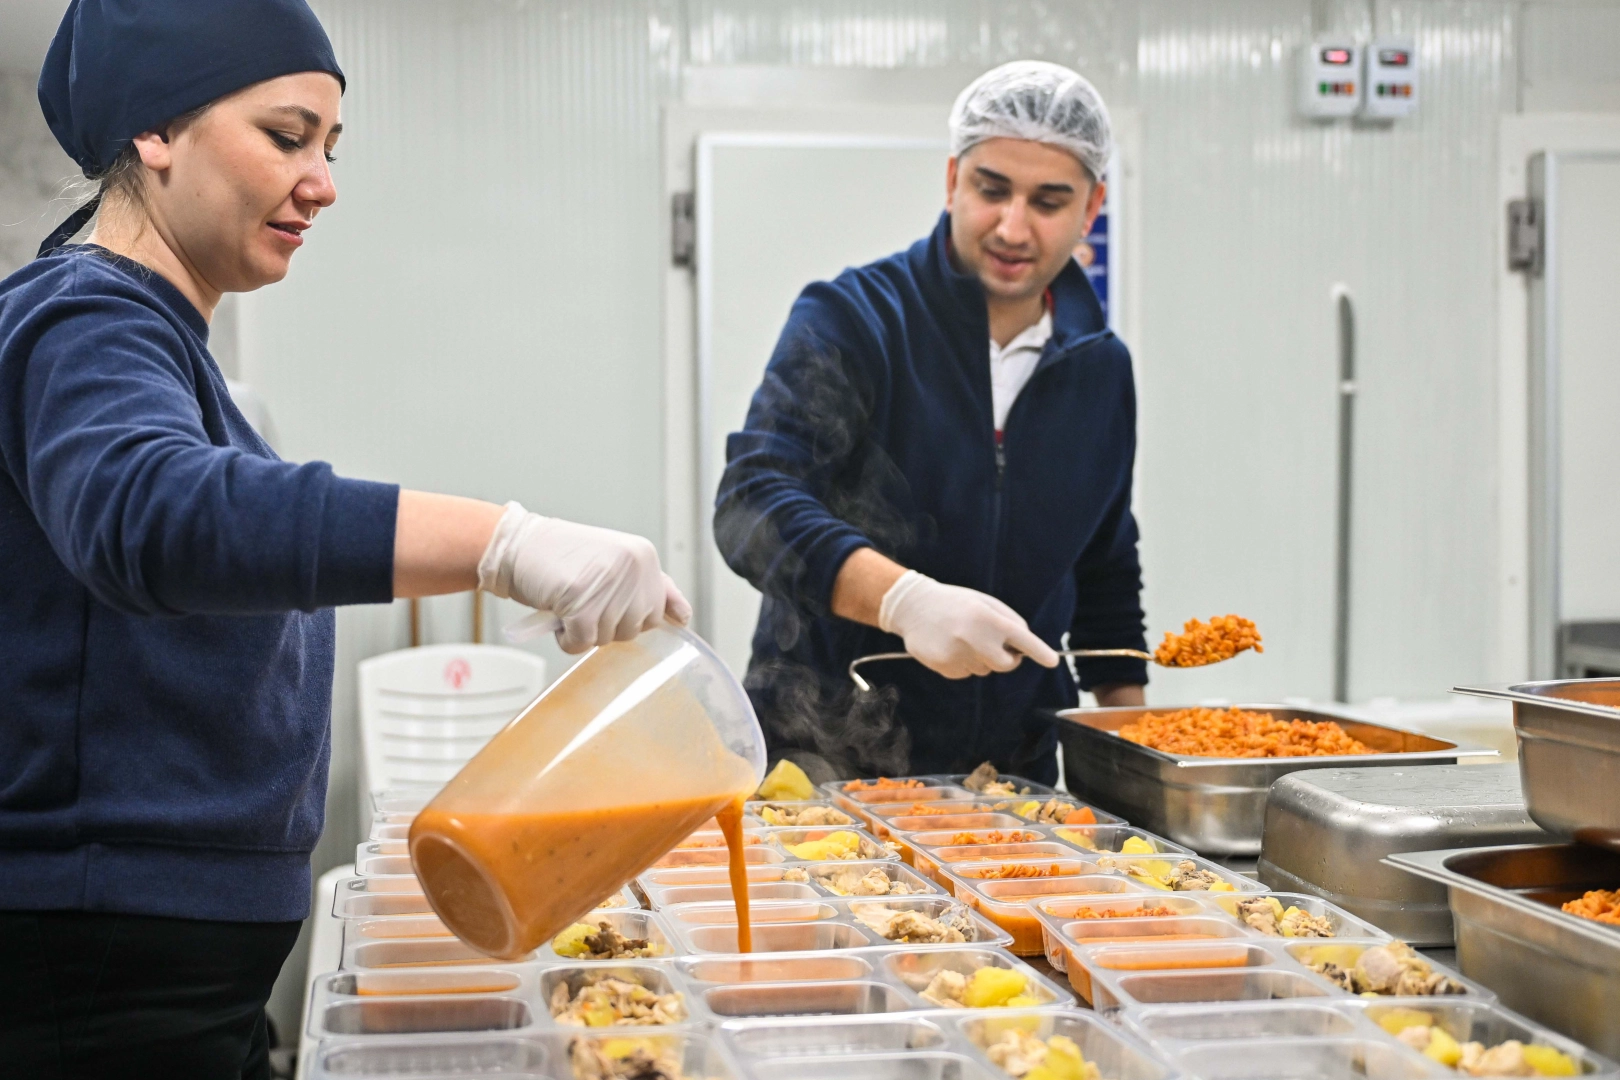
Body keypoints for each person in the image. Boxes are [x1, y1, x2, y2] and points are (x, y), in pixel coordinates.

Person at [0, 2, 687, 1075]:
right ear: (154, 131)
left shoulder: (166, 350)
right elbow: (154, 515)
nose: (322, 182)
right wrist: (503, 540)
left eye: (329, 146)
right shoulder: (88, 316)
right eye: (285, 136)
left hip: (164, 961)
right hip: (99, 965)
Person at [715, 61, 1147, 785]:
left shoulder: (1100, 368)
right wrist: (903, 600)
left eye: (1048, 200)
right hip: (828, 755)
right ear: (952, 180)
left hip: (1011, 773)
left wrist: (1138, 766)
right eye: (991, 189)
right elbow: (752, 502)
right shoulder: (856, 319)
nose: (1013, 227)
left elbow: (1105, 567)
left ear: (1092, 207)